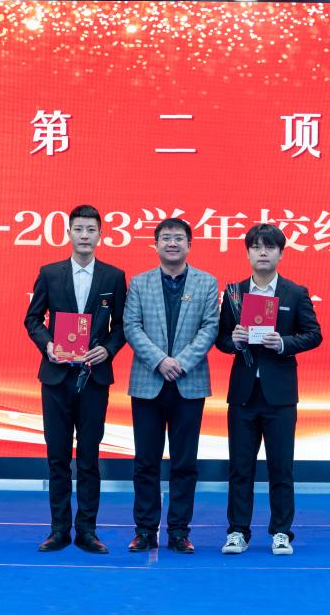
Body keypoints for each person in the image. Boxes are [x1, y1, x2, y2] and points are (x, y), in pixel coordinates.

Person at [23, 204, 127, 554]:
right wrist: (48, 345)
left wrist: (107, 350)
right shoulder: (50, 273)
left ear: (100, 235)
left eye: (91, 230)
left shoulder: (113, 277)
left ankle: (87, 531)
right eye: (79, 229)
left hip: (94, 378)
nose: (85, 236)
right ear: (68, 233)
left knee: (89, 457)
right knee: (57, 457)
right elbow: (33, 319)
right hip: (56, 378)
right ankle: (58, 530)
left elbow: (122, 326)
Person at [216, 223, 322, 556]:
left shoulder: (295, 293)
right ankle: (237, 531)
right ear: (248, 253)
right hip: (243, 395)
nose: (263, 253)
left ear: (280, 253)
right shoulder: (234, 293)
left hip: (280, 396)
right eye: (256, 247)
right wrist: (233, 341)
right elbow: (220, 339)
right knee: (240, 467)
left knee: (281, 467)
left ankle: (281, 532)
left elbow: (314, 334)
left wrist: (284, 343)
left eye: (269, 247)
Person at [123, 217, 219, 554]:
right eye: (166, 238)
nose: (172, 243)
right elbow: (131, 326)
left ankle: (179, 531)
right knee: (145, 463)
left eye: (179, 238)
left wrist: (181, 362)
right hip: (148, 382)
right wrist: (160, 361)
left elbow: (210, 327)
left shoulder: (207, 282)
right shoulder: (139, 283)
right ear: (156, 244)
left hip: (189, 383)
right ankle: (145, 531)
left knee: (184, 464)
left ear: (189, 245)